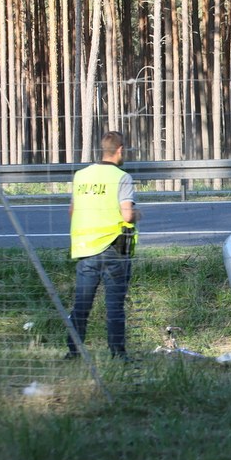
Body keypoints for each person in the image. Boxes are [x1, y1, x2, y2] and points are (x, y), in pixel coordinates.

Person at [65, 131, 141, 360]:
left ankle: (74, 351)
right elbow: (127, 215)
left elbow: (72, 211)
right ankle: (117, 353)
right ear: (120, 149)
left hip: (86, 248)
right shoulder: (121, 177)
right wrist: (139, 214)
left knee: (81, 304)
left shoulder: (81, 175)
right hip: (113, 248)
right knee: (114, 305)